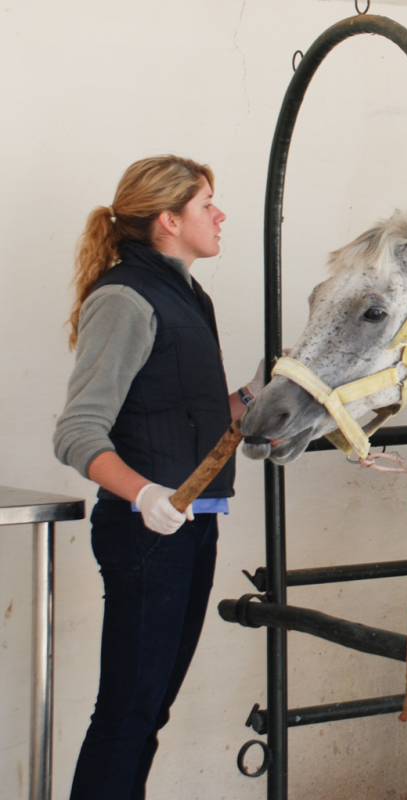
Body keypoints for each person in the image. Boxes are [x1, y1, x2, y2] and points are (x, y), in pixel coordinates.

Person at [53, 155, 264, 800]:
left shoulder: (186, 295)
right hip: (148, 535)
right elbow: (77, 432)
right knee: (128, 716)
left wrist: (256, 394)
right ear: (168, 221)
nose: (220, 215)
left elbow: (189, 418)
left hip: (192, 528)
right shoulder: (124, 297)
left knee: (146, 715)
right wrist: (143, 495)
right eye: (206, 205)